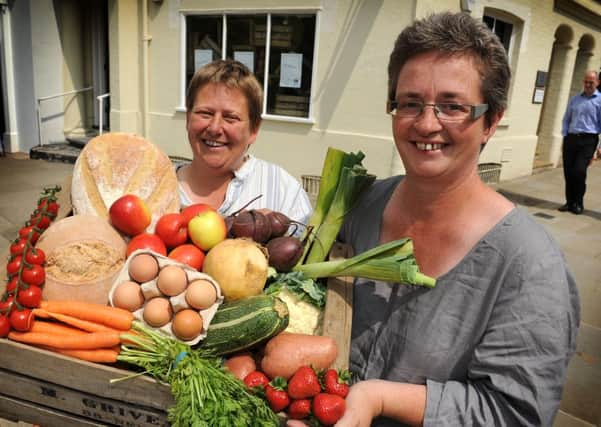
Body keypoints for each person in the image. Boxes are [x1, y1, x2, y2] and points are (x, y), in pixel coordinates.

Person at [332, 12, 579, 427]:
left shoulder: (529, 267)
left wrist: (377, 398)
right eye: (410, 103)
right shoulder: (360, 206)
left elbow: (515, 413)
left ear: (491, 120)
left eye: (452, 106)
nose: (427, 124)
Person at [177, 59, 312, 226]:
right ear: (188, 118)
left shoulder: (285, 193)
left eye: (230, 117)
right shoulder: (155, 189)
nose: (214, 128)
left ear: (254, 130)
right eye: (205, 113)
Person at [558, 70, 601, 214]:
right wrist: (565, 136)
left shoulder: (600, 101)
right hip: (571, 138)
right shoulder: (575, 99)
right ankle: (569, 202)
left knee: (579, 171)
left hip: (588, 140)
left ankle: (578, 202)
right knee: (569, 172)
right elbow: (566, 119)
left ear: (598, 83)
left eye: (591, 82)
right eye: (586, 82)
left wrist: (599, 147)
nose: (588, 85)